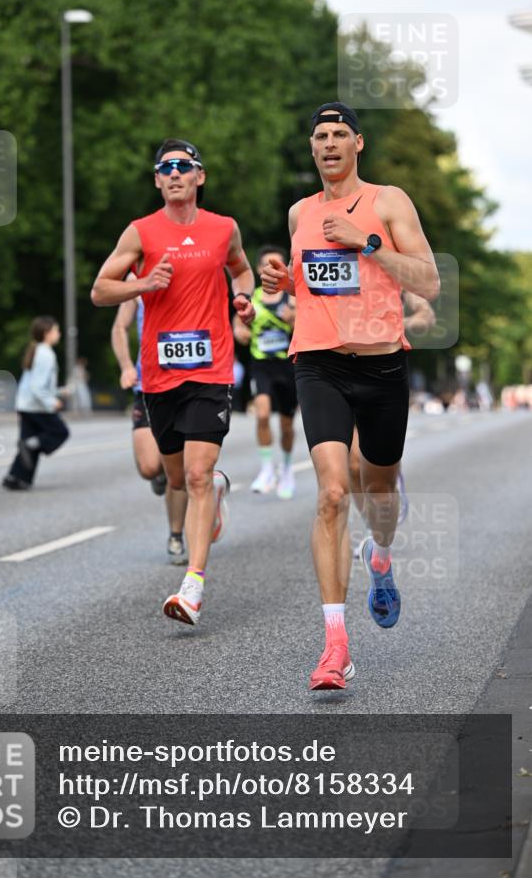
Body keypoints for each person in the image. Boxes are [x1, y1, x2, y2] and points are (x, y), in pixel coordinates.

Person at [262, 102, 439, 690]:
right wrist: (276, 287)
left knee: (378, 486)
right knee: (334, 493)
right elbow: (307, 283)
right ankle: (335, 648)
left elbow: (428, 280)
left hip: (383, 366)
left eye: (340, 134)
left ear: (358, 144)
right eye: (320, 135)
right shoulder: (299, 213)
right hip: (318, 365)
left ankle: (380, 556)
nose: (330, 143)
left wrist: (367, 244)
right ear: (312, 148)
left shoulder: (389, 202)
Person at [92, 138, 255, 625]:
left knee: (199, 475)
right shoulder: (141, 233)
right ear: (158, 180)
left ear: (199, 176)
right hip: (159, 377)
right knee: (177, 479)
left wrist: (243, 298)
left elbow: (241, 270)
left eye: (185, 166)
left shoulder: (223, 228)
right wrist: (142, 285)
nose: (176, 174)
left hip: (211, 371)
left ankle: (193, 585)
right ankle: (216, 493)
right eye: (167, 168)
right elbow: (101, 290)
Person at [349, 291, 436, 550]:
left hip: (383, 371)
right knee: (353, 465)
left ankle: (388, 480)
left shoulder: (388, 264)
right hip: (335, 367)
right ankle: (371, 530)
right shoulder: (331, 256)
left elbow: (426, 316)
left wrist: (401, 322)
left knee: (374, 468)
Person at [111, 293, 189, 563]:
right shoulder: (138, 281)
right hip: (148, 385)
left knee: (180, 470)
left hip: (188, 382)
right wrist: (125, 366)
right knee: (149, 467)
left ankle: (176, 535)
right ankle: (162, 475)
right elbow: (120, 326)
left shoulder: (191, 269)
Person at [233, 245, 298, 500]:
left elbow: (309, 322)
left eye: (278, 265)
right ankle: (267, 468)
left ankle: (288, 468)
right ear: (260, 270)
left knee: (286, 424)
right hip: (261, 366)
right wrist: (240, 331)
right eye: (267, 266)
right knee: (261, 415)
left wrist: (294, 318)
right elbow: (237, 322)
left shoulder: (292, 299)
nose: (272, 270)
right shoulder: (253, 298)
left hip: (287, 365)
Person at [2, 316, 70, 490]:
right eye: (56, 330)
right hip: (37, 406)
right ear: (47, 333)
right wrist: (51, 402)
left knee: (30, 443)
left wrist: (59, 392)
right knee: (59, 432)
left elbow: (37, 383)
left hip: (25, 404)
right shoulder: (46, 354)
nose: (59, 334)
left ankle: (16, 478)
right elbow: (37, 386)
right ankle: (30, 446)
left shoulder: (37, 350)